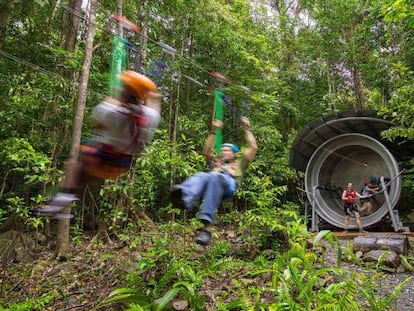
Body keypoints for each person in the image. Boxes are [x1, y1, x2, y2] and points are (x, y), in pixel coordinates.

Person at [34, 70, 162, 218]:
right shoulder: (150, 116)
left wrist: (111, 101)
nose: (120, 89)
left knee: (76, 163)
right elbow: (155, 108)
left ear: (126, 93)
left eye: (123, 88)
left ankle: (64, 199)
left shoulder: (110, 111)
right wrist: (153, 96)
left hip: (101, 161)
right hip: (123, 165)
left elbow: (96, 125)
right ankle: (67, 201)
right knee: (87, 171)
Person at [170, 117, 257, 245]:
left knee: (214, 176)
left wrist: (246, 129)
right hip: (213, 182)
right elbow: (206, 151)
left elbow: (253, 147)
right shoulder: (216, 163)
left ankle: (207, 227)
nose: (223, 152)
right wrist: (214, 131)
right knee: (203, 175)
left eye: (227, 151)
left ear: (234, 154)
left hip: (228, 185)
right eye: (222, 151)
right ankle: (185, 198)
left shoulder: (239, 163)